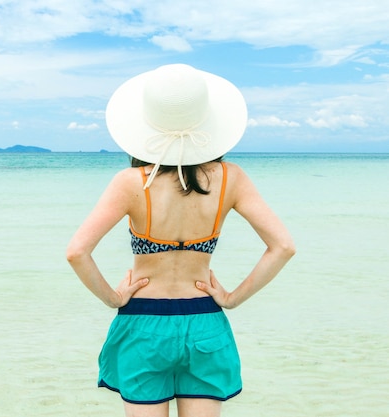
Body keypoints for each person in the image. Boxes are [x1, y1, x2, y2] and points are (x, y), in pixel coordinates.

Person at [66, 64, 295, 417]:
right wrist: (232, 298)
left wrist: (113, 297)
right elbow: (283, 246)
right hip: (204, 320)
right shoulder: (231, 179)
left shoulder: (130, 182)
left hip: (142, 322)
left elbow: (77, 252)